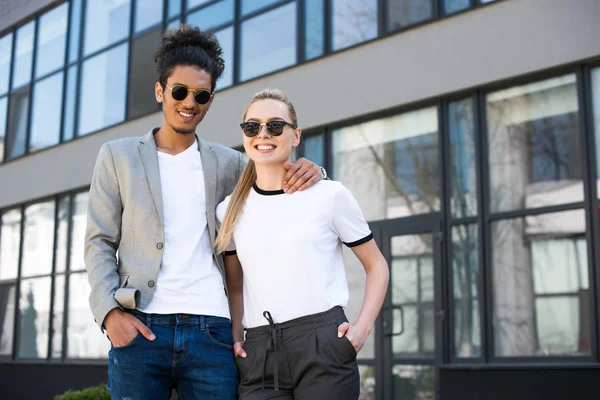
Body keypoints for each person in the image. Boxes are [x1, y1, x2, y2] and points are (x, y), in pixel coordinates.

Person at [84, 25, 324, 400]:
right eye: (179, 91)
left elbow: (275, 185)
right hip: (141, 326)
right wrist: (109, 314)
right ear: (160, 91)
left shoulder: (230, 163)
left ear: (211, 99)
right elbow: (99, 241)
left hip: (212, 331)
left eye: (201, 95)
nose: (189, 102)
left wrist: (317, 172)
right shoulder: (118, 156)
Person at [215, 89, 389, 399]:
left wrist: (362, 329)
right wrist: (237, 335)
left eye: (275, 126)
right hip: (259, 353)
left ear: (296, 137)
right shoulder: (228, 210)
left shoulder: (330, 196)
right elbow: (236, 285)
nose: (263, 134)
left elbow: (376, 266)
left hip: (323, 347)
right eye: (252, 126)